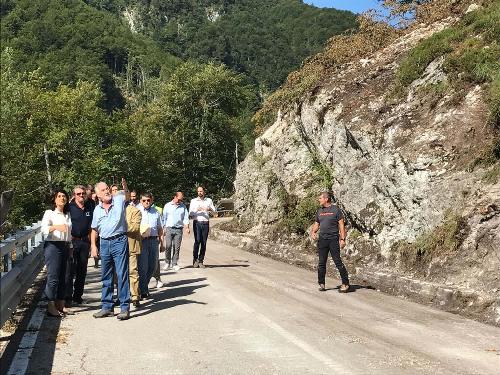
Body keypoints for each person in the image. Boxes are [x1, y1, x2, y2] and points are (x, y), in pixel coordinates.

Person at [91, 179, 131, 320]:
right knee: (106, 276)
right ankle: (107, 307)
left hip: (119, 240)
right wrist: (93, 245)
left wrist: (125, 188)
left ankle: (125, 307)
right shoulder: (97, 209)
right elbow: (95, 229)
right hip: (104, 243)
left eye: (107, 188)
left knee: (121, 274)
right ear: (98, 195)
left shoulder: (119, 200)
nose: (107, 191)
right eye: (103, 190)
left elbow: (126, 195)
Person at [41, 189, 73, 317]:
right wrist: (55, 227)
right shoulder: (50, 213)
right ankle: (50, 306)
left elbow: (69, 233)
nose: (62, 198)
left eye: (64, 196)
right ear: (54, 199)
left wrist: (70, 246)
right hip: (53, 246)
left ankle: (60, 304)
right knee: (53, 277)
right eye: (59, 196)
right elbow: (43, 229)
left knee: (64, 276)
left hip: (65, 246)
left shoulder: (67, 214)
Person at [310, 192, 349, 293]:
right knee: (321, 263)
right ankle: (321, 284)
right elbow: (317, 223)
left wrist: (343, 239)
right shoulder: (319, 211)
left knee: (337, 262)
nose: (319, 200)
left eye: (320, 198)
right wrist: (313, 232)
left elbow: (341, 225)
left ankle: (345, 284)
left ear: (326, 199)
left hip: (333, 239)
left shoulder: (335, 210)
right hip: (322, 240)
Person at [66, 185, 93, 305]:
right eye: (78, 194)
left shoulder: (90, 206)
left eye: (83, 193)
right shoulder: (70, 207)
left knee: (82, 270)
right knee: (70, 270)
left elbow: (93, 225)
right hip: (73, 241)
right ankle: (67, 297)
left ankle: (78, 296)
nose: (81, 195)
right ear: (74, 195)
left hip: (85, 242)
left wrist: (93, 244)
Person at [137, 192, 163, 298]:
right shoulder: (136, 210)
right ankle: (143, 290)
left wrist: (162, 242)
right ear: (140, 201)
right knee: (143, 267)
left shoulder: (155, 212)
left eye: (148, 200)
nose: (146, 202)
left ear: (151, 201)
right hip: (141, 241)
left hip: (153, 241)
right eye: (144, 200)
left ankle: (142, 286)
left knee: (153, 266)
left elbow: (160, 228)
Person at [189, 186, 216, 268]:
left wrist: (209, 209)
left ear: (204, 192)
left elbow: (215, 212)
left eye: (201, 191)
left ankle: (201, 261)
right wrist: (197, 209)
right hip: (197, 222)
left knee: (204, 243)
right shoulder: (193, 201)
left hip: (205, 223)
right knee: (197, 241)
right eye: (198, 191)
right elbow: (190, 214)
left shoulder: (209, 200)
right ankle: (195, 260)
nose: (199, 193)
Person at [163, 192, 190, 271]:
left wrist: (187, 227)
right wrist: (163, 228)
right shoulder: (167, 205)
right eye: (178, 199)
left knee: (176, 247)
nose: (179, 201)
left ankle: (174, 263)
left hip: (178, 229)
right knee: (168, 246)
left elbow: (185, 218)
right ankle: (167, 262)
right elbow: (164, 218)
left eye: (181, 200)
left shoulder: (183, 207)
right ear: (174, 197)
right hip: (169, 228)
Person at [126, 204, 142, 307]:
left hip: (131, 246)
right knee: (118, 273)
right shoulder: (112, 209)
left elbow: (135, 227)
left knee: (132, 271)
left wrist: (120, 226)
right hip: (117, 247)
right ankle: (121, 295)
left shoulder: (135, 210)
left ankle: (135, 296)